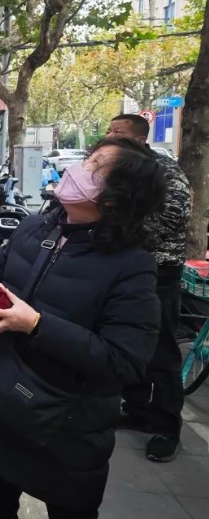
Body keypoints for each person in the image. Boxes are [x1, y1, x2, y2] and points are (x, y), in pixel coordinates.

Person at [0, 138, 166, 518]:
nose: (76, 169)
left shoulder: (131, 266)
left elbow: (125, 361)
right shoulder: (34, 228)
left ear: (114, 199)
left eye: (93, 166)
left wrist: (35, 325)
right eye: (87, 159)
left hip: (65, 434)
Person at [108, 114, 192, 462]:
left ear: (141, 139)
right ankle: (137, 409)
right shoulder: (117, 168)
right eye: (110, 130)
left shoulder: (166, 172)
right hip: (123, 268)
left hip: (159, 272)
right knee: (128, 342)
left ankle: (167, 428)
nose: (111, 136)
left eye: (119, 132)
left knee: (161, 352)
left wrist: (122, 228)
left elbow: (173, 217)